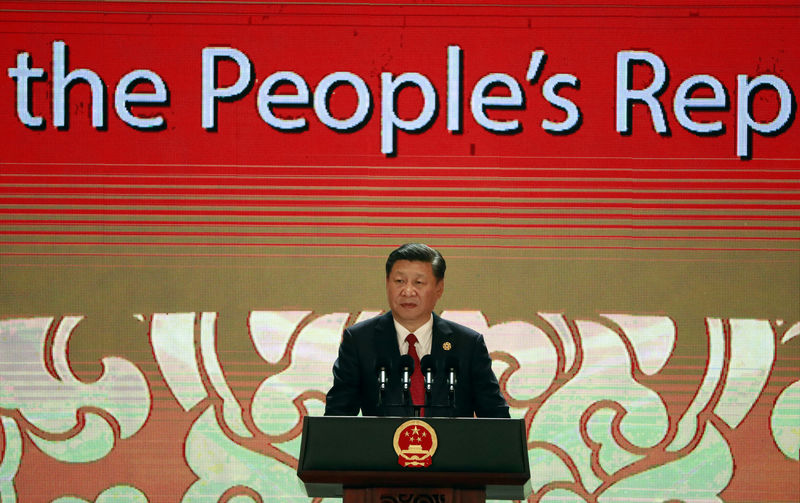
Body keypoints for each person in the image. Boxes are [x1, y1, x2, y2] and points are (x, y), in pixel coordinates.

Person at [324, 243, 510, 418]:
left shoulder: (467, 345)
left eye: (419, 283)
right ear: (387, 283)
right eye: (399, 281)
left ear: (439, 288)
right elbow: (336, 418)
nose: (408, 291)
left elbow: (497, 418)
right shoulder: (359, 341)